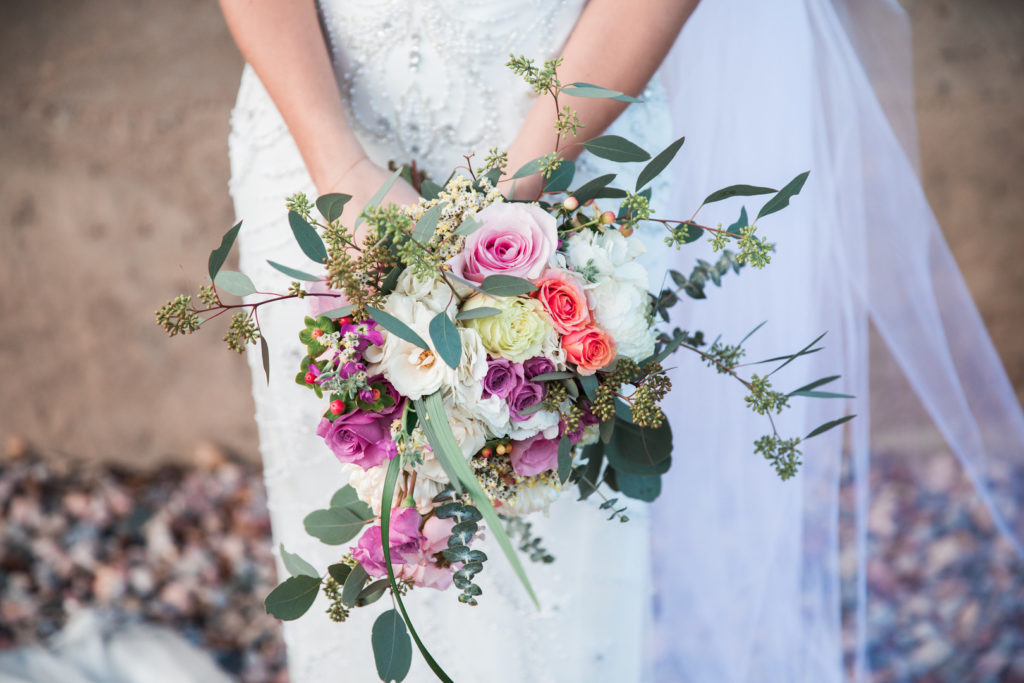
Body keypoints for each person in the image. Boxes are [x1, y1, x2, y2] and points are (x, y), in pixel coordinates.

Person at [223, 0, 1024, 681]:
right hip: (313, 126)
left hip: (568, 128)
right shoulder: (322, 156)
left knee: (556, 526)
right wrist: (339, 167)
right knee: (354, 496)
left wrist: (507, 210)